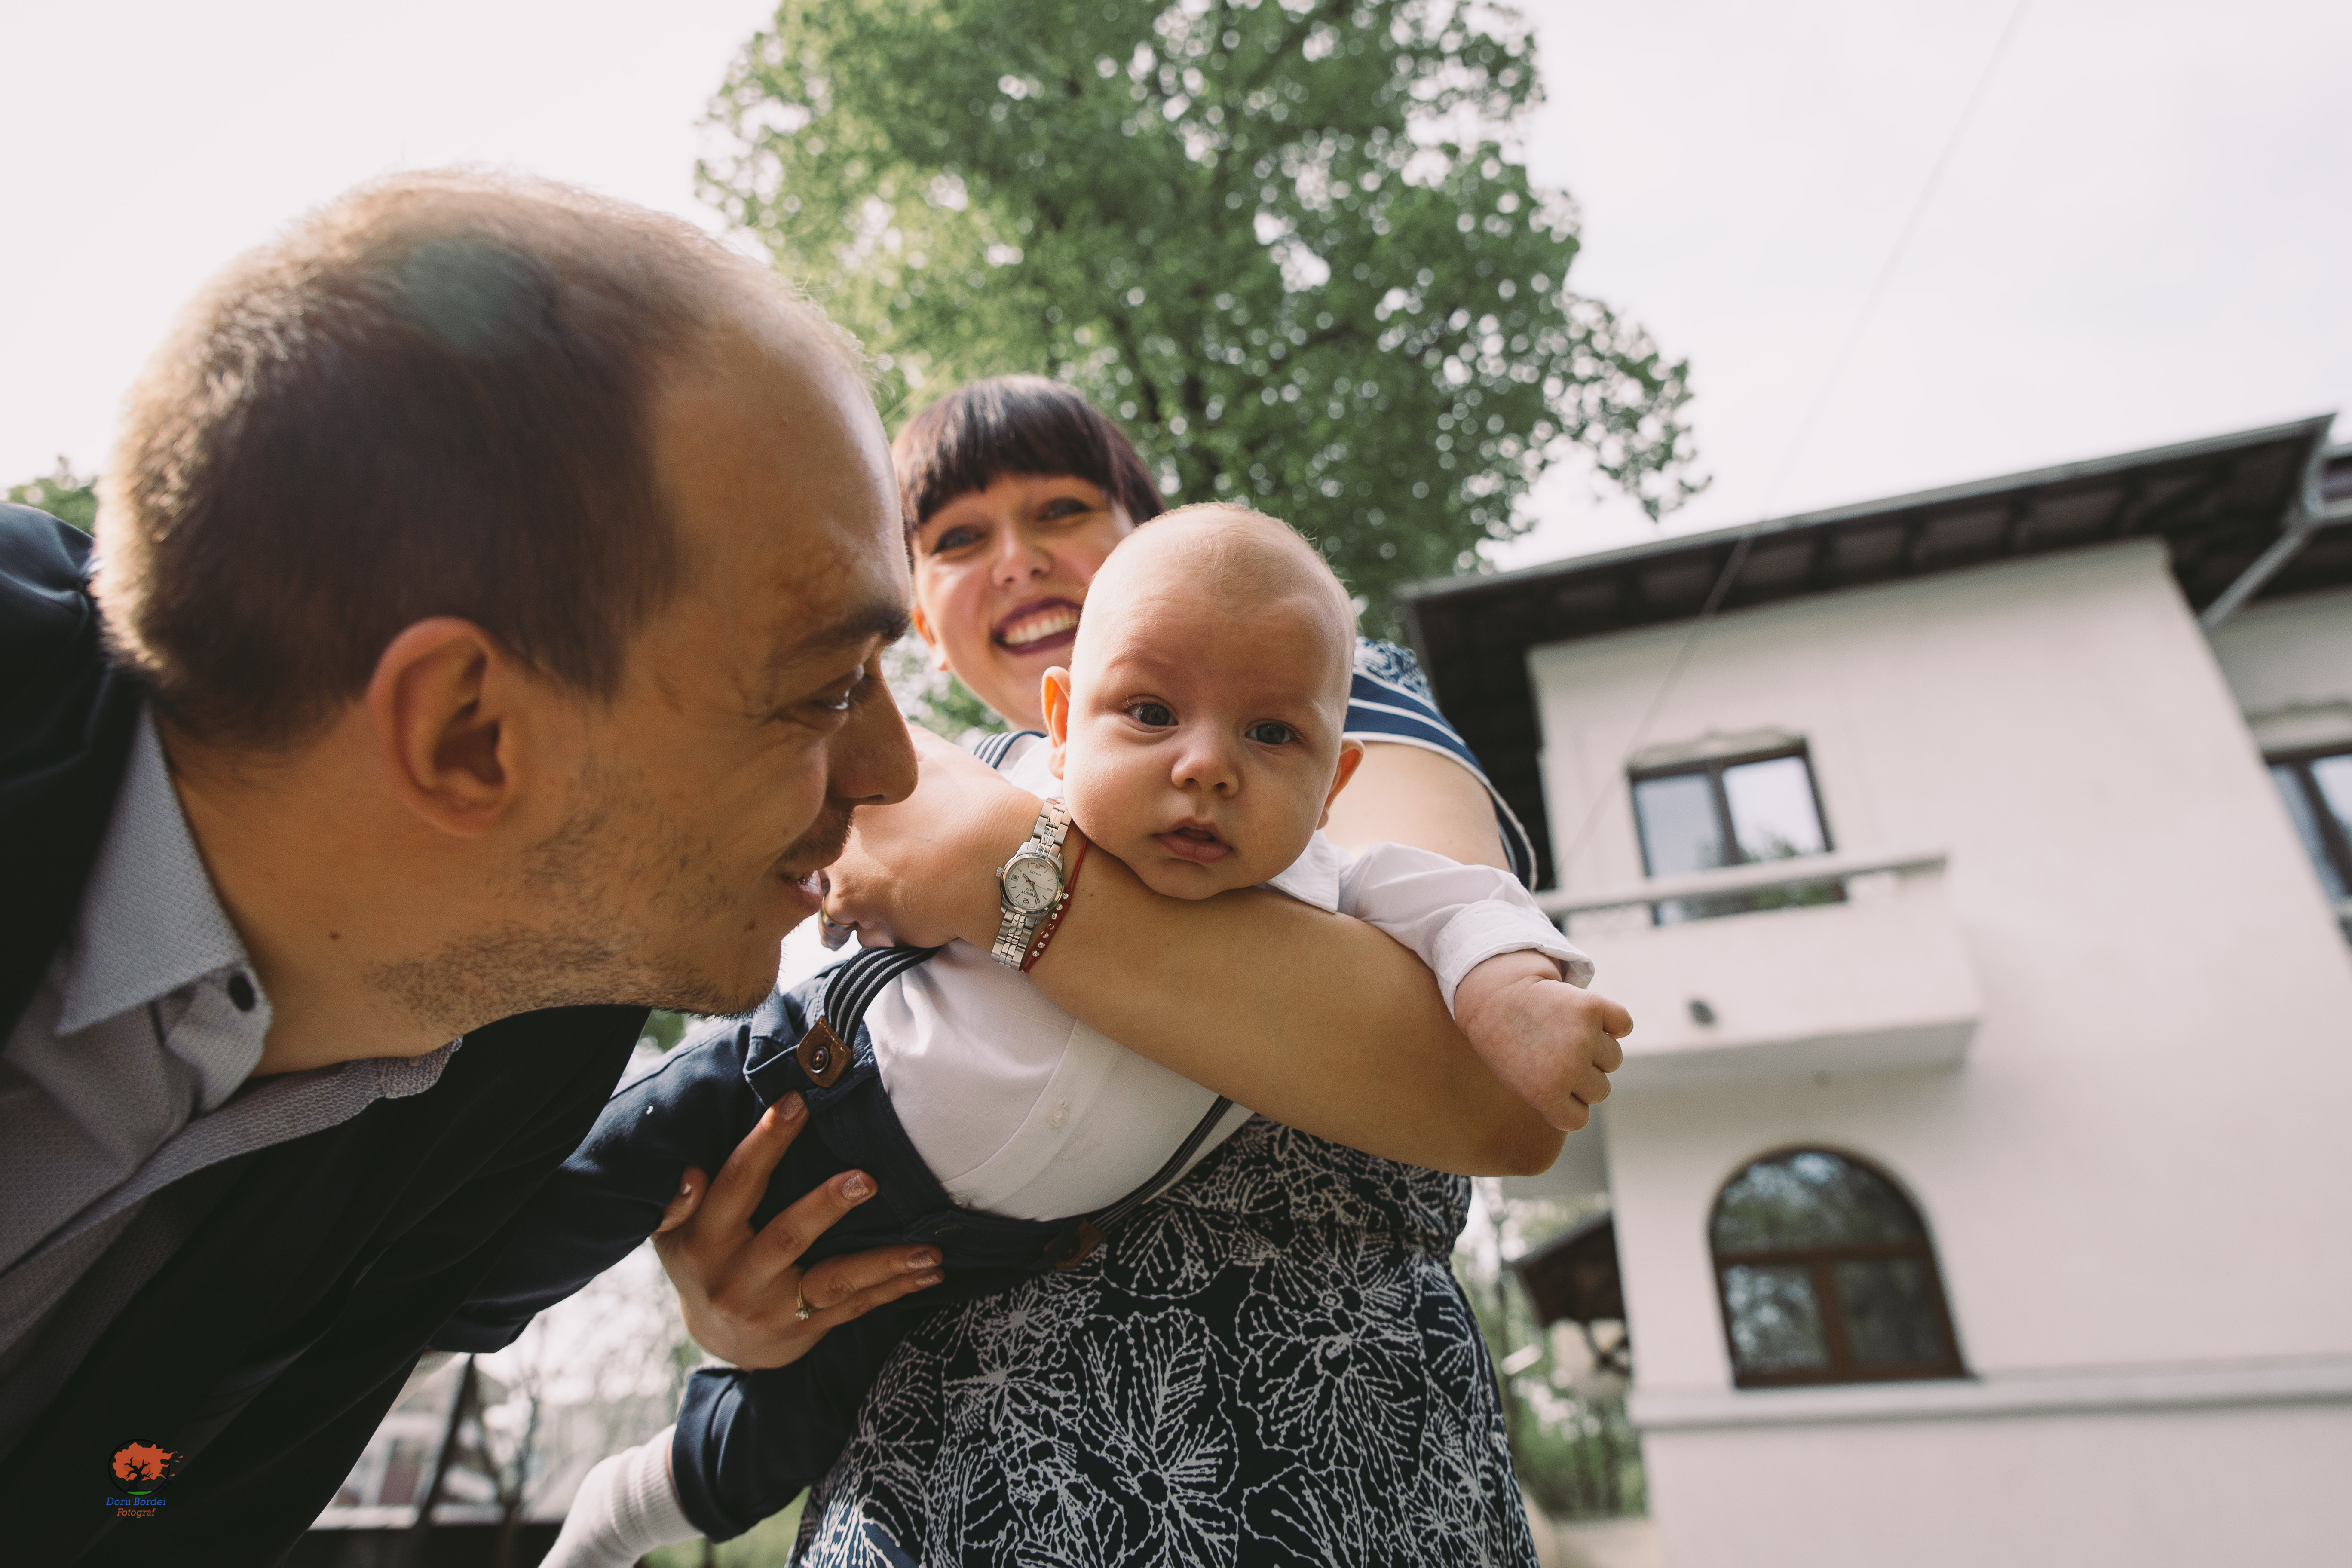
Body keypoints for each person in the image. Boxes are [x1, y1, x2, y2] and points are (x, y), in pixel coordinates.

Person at [0, 170, 951, 1563]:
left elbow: (155, 1508)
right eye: (826, 688)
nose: (894, 774)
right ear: (466, 733)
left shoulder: (531, 1038)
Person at [482, 504, 1607, 1564]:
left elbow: (1469, 916)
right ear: (1062, 718)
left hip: (978, 1259)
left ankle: (626, 1505)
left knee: (764, 1438)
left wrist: (1518, 993)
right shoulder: (991, 767)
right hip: (820, 1089)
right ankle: (415, 1308)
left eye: (1271, 734)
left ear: (1333, 778)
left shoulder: (1338, 867)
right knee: (586, 1185)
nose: (1207, 762)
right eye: (958, 533)